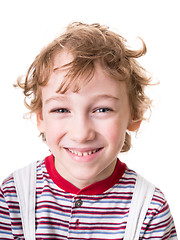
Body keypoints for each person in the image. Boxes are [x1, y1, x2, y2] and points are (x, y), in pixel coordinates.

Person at [0, 22, 177, 239]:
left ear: (135, 115)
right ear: (40, 118)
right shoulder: (13, 197)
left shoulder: (150, 210)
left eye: (102, 109)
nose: (81, 133)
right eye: (61, 109)